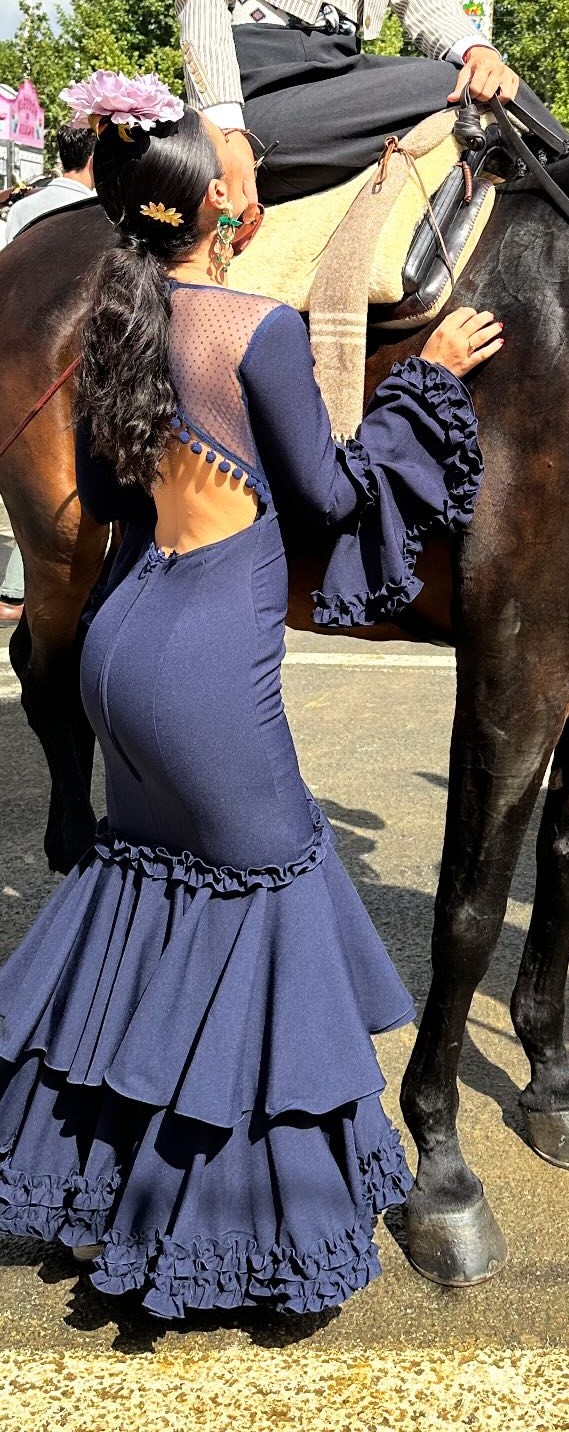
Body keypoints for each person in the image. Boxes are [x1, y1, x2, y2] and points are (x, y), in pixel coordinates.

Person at [0, 74, 502, 1317]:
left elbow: (106, 500)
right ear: (222, 205)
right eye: (238, 165)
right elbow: (331, 498)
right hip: (204, 669)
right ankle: (227, 1235)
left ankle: (84, 1174)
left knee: (150, 894)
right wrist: (427, 379)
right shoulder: (252, 327)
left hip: (120, 643)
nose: (251, 172)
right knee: (272, 897)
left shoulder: (122, 317)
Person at [176, 0, 569, 204]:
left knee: (493, 79)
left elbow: (424, 5)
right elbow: (201, 12)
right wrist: (227, 133)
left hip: (341, 75)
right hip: (259, 92)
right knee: (450, 82)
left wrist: (478, 52)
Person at [0, 125, 97, 624]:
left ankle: (17, 587)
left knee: (33, 476)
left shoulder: (26, 209)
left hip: (21, 347)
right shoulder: (110, 215)